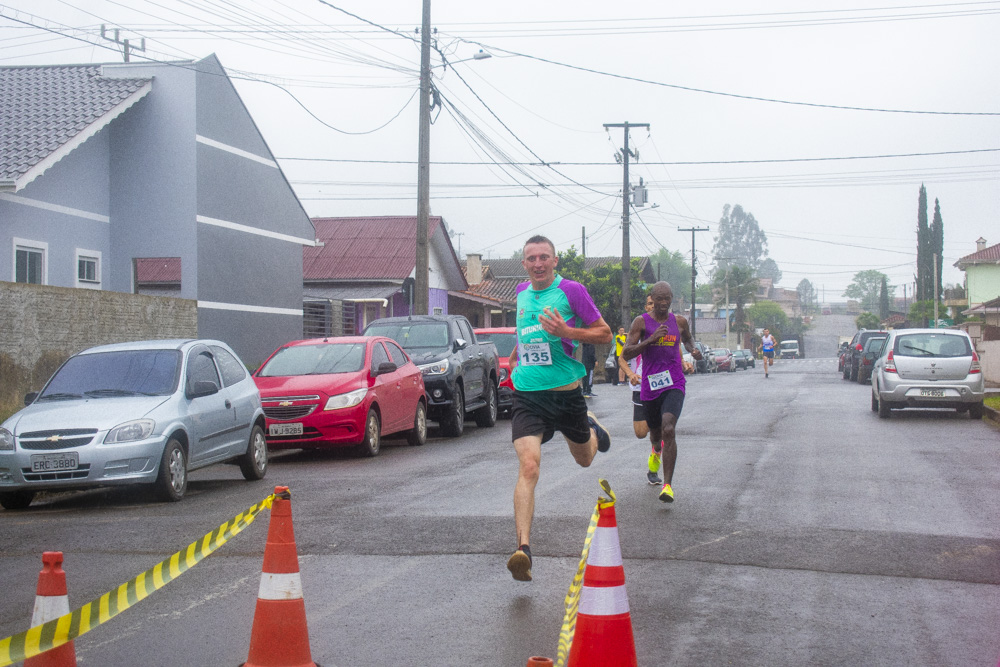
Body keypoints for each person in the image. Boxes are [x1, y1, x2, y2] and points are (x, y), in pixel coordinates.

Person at [506, 235, 613, 582]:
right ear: (524, 264)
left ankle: (592, 427)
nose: (538, 263)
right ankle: (523, 549)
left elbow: (605, 334)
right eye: (531, 258)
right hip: (527, 395)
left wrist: (568, 330)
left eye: (544, 258)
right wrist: (516, 354)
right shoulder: (521, 292)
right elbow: (527, 333)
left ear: (554, 262)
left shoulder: (572, 291)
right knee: (529, 465)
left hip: (566, 395)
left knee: (585, 459)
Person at [622, 282, 702, 503]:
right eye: (659, 299)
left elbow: (687, 339)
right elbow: (626, 352)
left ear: (672, 298)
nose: (664, 303)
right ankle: (655, 450)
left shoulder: (679, 321)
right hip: (650, 386)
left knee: (669, 428)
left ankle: (667, 486)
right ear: (652, 299)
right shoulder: (641, 322)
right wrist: (650, 339)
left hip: (674, 382)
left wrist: (693, 351)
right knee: (656, 435)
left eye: (667, 298)